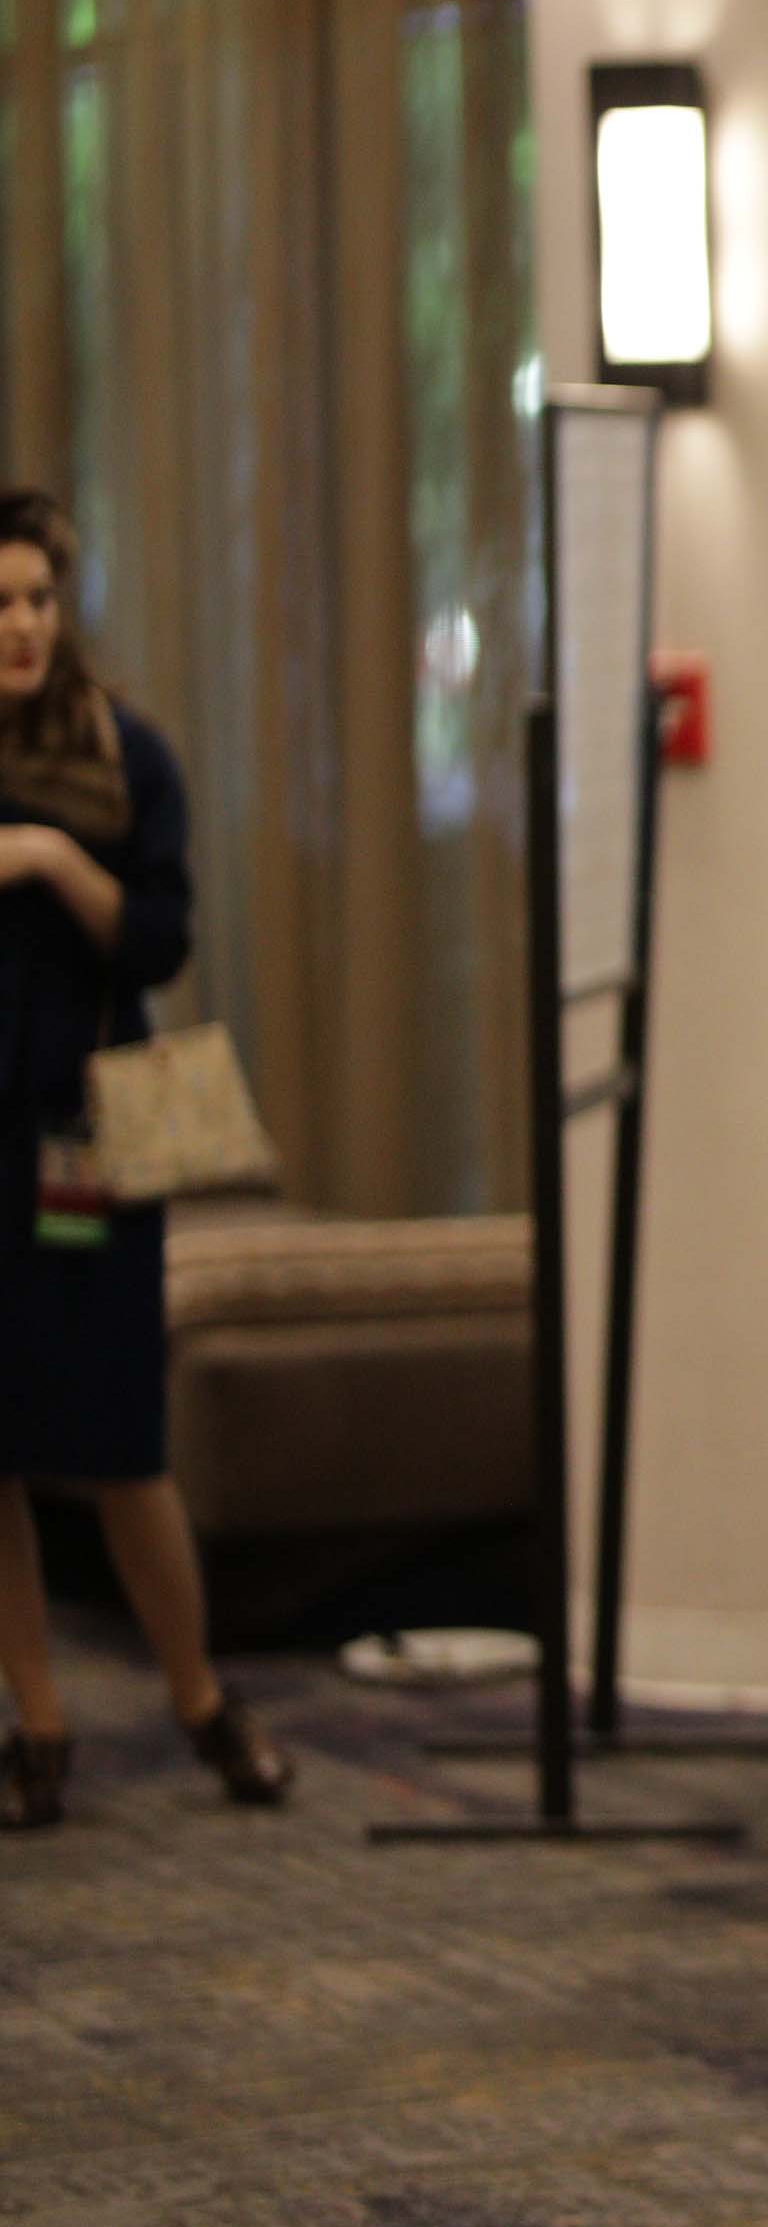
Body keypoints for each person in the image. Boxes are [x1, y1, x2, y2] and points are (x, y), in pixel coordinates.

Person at [0, 485, 290, 1834]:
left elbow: (162, 938)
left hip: (92, 1140)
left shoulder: (127, 755)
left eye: (38, 601)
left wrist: (53, 859)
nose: (20, 627)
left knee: (123, 1440)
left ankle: (197, 1700)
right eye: (0, 603)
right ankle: (40, 1727)